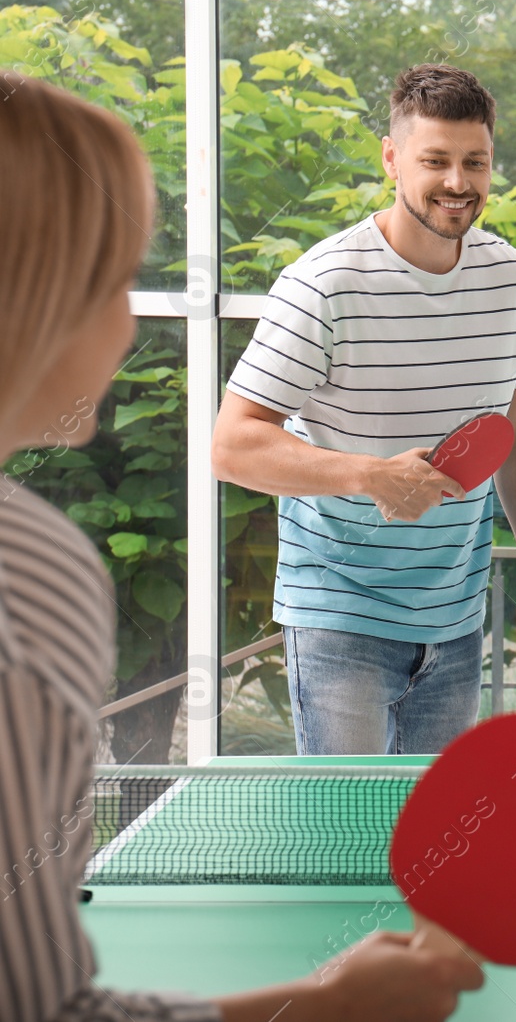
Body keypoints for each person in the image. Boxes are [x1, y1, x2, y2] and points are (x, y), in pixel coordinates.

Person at [0, 74, 484, 1022]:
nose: (132, 319)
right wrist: (320, 1009)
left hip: (452, 616)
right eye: (109, 275)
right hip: (341, 610)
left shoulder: (36, 559)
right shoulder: (32, 589)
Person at [211, 64, 516, 755]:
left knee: (432, 842)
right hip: (339, 613)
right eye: (436, 160)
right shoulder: (324, 283)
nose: (458, 182)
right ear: (392, 157)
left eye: (475, 162)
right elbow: (232, 445)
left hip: (457, 618)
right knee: (348, 842)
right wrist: (370, 475)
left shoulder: (513, 280)